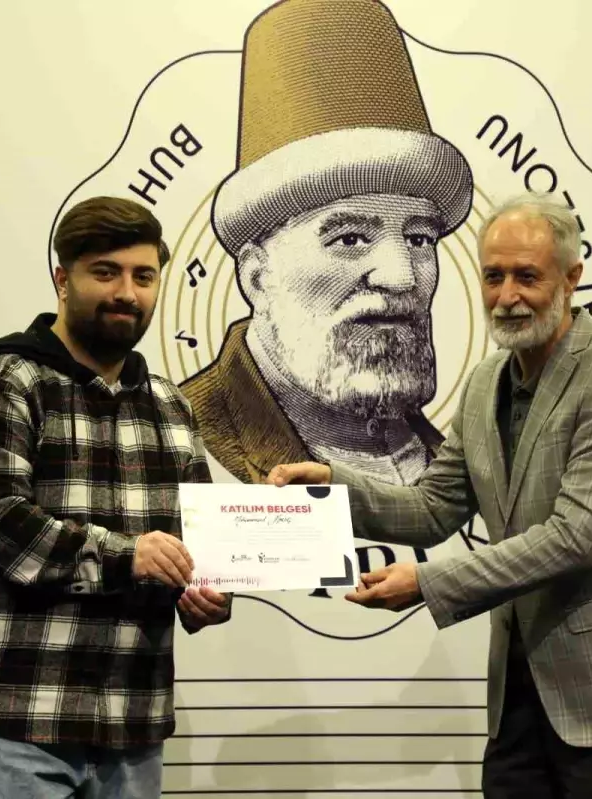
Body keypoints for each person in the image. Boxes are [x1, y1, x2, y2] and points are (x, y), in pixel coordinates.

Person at [267, 193, 592, 797]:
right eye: (494, 276)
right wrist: (333, 487)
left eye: (528, 276)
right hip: (520, 699)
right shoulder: (484, 382)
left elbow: (574, 538)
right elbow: (432, 509)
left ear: (571, 278)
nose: (507, 296)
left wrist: (427, 583)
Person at [0, 196, 231, 799]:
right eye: (106, 272)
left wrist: (206, 590)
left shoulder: (172, 407)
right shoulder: (2, 384)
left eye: (143, 276)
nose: (127, 292)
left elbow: (196, 542)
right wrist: (129, 557)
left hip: (133, 724)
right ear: (62, 280)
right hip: (14, 723)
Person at [179, 0, 473, 486]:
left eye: (419, 237)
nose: (401, 275)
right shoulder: (176, 436)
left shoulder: (451, 463)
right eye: (350, 238)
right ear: (258, 278)